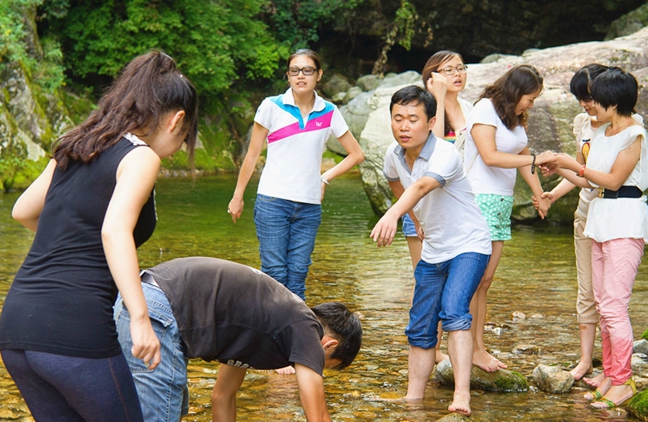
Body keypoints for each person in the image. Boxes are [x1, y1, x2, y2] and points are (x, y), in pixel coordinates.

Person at [0, 50, 198, 421]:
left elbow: (22, 210)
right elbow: (114, 229)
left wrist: (72, 241)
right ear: (177, 120)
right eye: (185, 137)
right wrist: (140, 318)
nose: (177, 150)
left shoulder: (79, 144)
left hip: (17, 328)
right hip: (75, 332)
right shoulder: (141, 157)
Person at [114, 256, 362, 422]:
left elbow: (222, 396)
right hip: (156, 308)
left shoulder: (267, 323)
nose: (311, 367)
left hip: (138, 297)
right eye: (323, 365)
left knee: (170, 409)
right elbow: (317, 416)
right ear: (329, 345)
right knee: (160, 414)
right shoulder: (307, 326)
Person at [370, 85, 491, 416]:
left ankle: (462, 394)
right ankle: (413, 399)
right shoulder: (393, 155)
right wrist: (413, 217)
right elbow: (398, 183)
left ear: (431, 121)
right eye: (397, 118)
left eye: (412, 119)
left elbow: (422, 185)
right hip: (434, 250)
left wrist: (394, 214)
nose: (404, 126)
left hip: (469, 245)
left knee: (453, 310)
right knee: (420, 324)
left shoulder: (445, 154)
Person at [539, 67, 648, 409]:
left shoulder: (635, 135)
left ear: (613, 102)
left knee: (614, 306)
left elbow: (614, 180)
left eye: (596, 99)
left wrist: (571, 163)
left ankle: (623, 380)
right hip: (600, 219)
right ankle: (609, 374)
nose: (590, 105)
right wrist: (560, 168)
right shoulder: (603, 133)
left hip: (625, 219)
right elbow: (591, 182)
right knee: (603, 304)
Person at [228, 48, 364, 302]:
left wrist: (325, 177)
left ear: (319, 75)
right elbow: (251, 155)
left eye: (307, 70)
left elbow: (356, 154)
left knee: (298, 274)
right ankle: (273, 332)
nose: (301, 76)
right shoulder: (271, 106)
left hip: (309, 207)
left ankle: (293, 336)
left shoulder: (329, 112)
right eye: (294, 71)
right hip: (272, 202)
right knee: (275, 273)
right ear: (288, 76)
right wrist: (238, 197)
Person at [464, 64, 553, 372]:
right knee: (473, 281)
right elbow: (490, 156)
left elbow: (524, 160)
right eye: (530, 98)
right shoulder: (485, 109)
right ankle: (470, 348)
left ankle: (476, 347)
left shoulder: (513, 118)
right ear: (516, 92)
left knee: (484, 282)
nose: (531, 104)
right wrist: (535, 158)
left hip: (500, 203)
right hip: (478, 199)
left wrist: (540, 194)